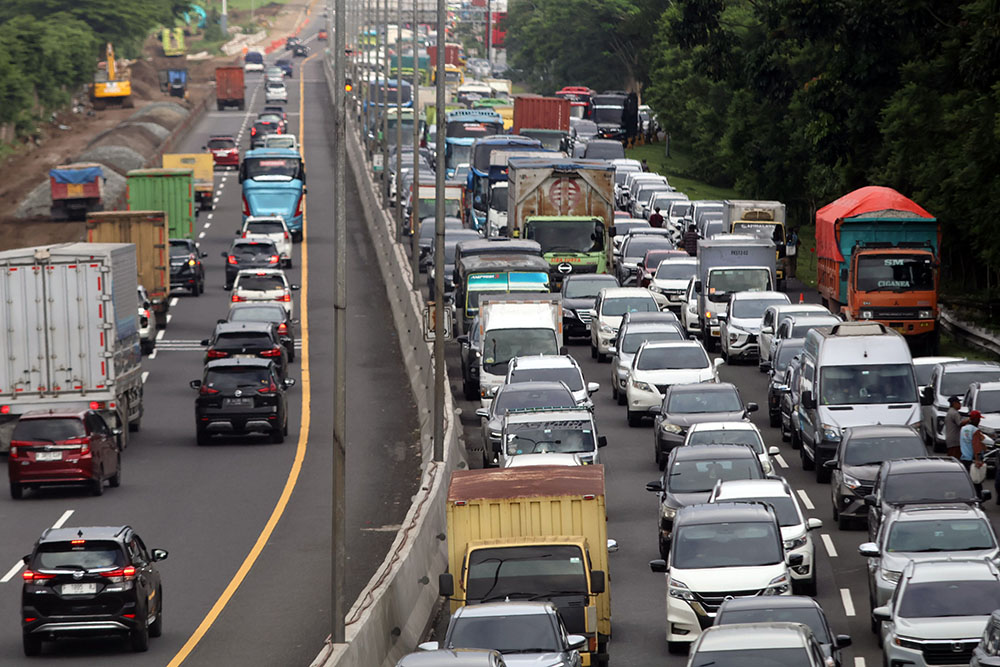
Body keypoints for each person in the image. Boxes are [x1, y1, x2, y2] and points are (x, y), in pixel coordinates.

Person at [960, 410, 988, 498]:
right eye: (979, 419)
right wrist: (978, 460)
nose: (979, 421)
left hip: (964, 458)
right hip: (972, 460)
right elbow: (976, 446)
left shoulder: (963, 429)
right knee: (976, 482)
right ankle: (978, 500)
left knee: (967, 481)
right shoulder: (975, 431)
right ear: (976, 420)